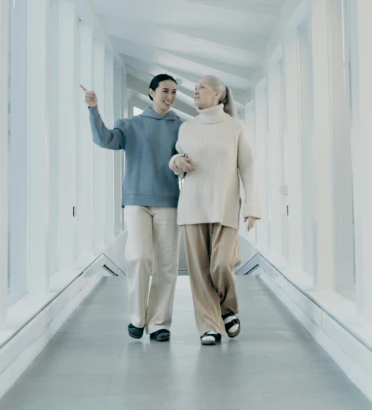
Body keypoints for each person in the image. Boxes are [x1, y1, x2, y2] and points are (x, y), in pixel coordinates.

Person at [84, 74, 181, 342]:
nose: (170, 97)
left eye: (174, 92)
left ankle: (160, 323)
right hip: (136, 201)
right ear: (151, 92)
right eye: (165, 91)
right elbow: (106, 140)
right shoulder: (130, 124)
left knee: (167, 265)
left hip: (170, 201)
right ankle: (138, 318)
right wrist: (93, 109)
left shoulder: (181, 127)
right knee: (139, 257)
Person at [169, 76, 260, 345]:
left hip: (225, 206)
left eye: (202, 87)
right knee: (198, 272)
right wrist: (177, 162)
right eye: (195, 88)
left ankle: (227, 309)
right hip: (192, 206)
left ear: (219, 94)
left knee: (221, 264)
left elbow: (248, 167)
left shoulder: (235, 127)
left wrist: (252, 206)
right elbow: (176, 158)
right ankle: (208, 325)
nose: (195, 91)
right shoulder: (187, 127)